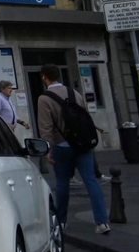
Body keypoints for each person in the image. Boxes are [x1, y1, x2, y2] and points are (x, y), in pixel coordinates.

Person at [36, 64, 111, 234]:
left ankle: (61, 221)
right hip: (82, 144)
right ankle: (102, 222)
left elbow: (45, 127)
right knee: (91, 181)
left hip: (62, 145)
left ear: (44, 77)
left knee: (62, 183)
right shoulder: (74, 93)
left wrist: (47, 150)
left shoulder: (44, 99)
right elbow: (85, 117)